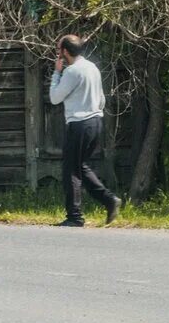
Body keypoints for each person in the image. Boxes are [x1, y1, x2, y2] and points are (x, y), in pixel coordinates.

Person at [49, 35, 121, 227]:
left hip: (79, 124)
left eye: (58, 50)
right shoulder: (92, 67)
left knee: (71, 170)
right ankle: (109, 200)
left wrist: (57, 74)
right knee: (80, 166)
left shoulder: (72, 72)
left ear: (65, 52)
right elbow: (102, 99)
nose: (58, 53)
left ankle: (75, 216)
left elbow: (55, 98)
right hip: (95, 122)